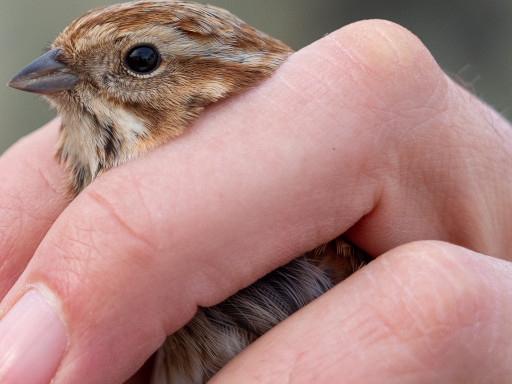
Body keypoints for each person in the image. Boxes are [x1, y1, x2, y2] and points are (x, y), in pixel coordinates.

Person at [0, 20, 511, 384]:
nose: (47, 71)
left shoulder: (325, 220)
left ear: (218, 86)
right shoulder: (71, 218)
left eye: (138, 61)